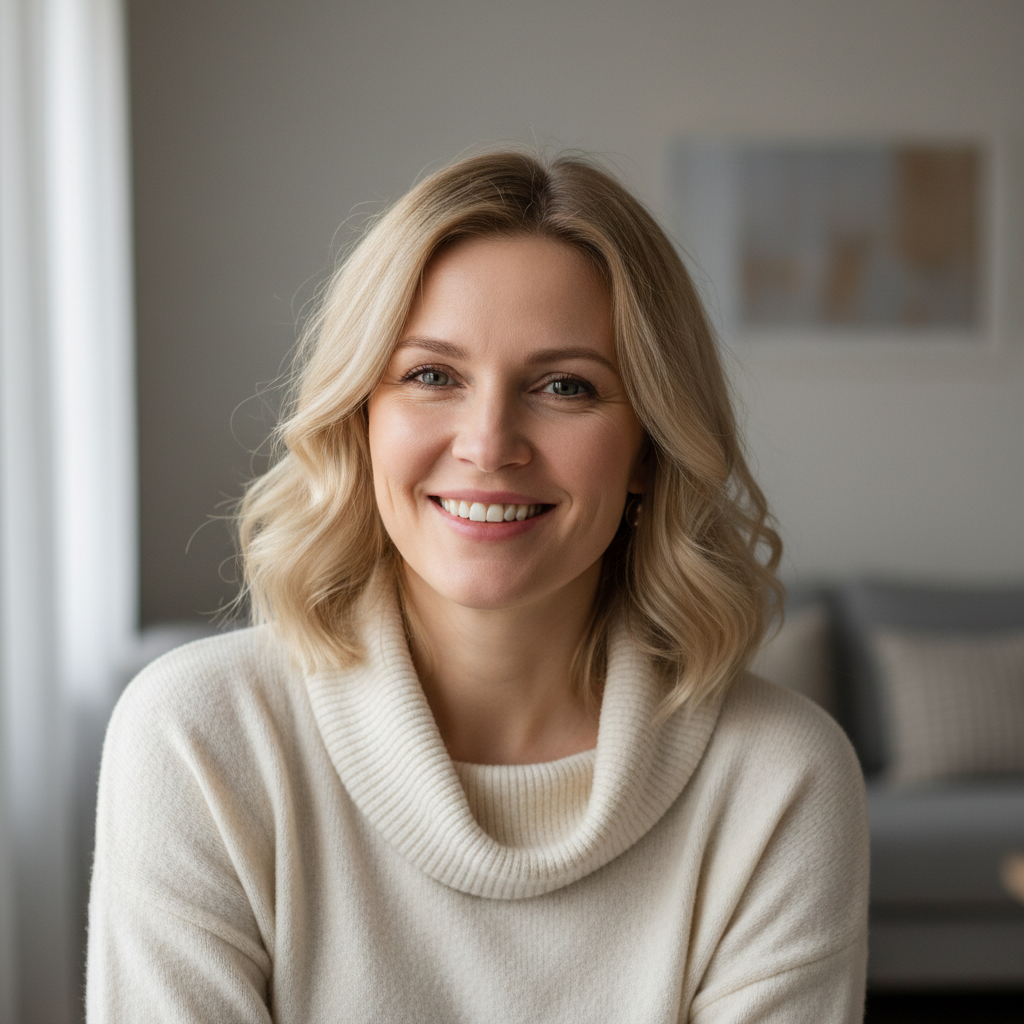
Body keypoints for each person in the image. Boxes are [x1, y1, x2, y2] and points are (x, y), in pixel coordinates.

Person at [87, 151, 869, 1022]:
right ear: (362, 420)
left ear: (650, 446)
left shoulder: (780, 776)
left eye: (565, 386)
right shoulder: (199, 736)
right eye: (432, 376)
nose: (489, 443)